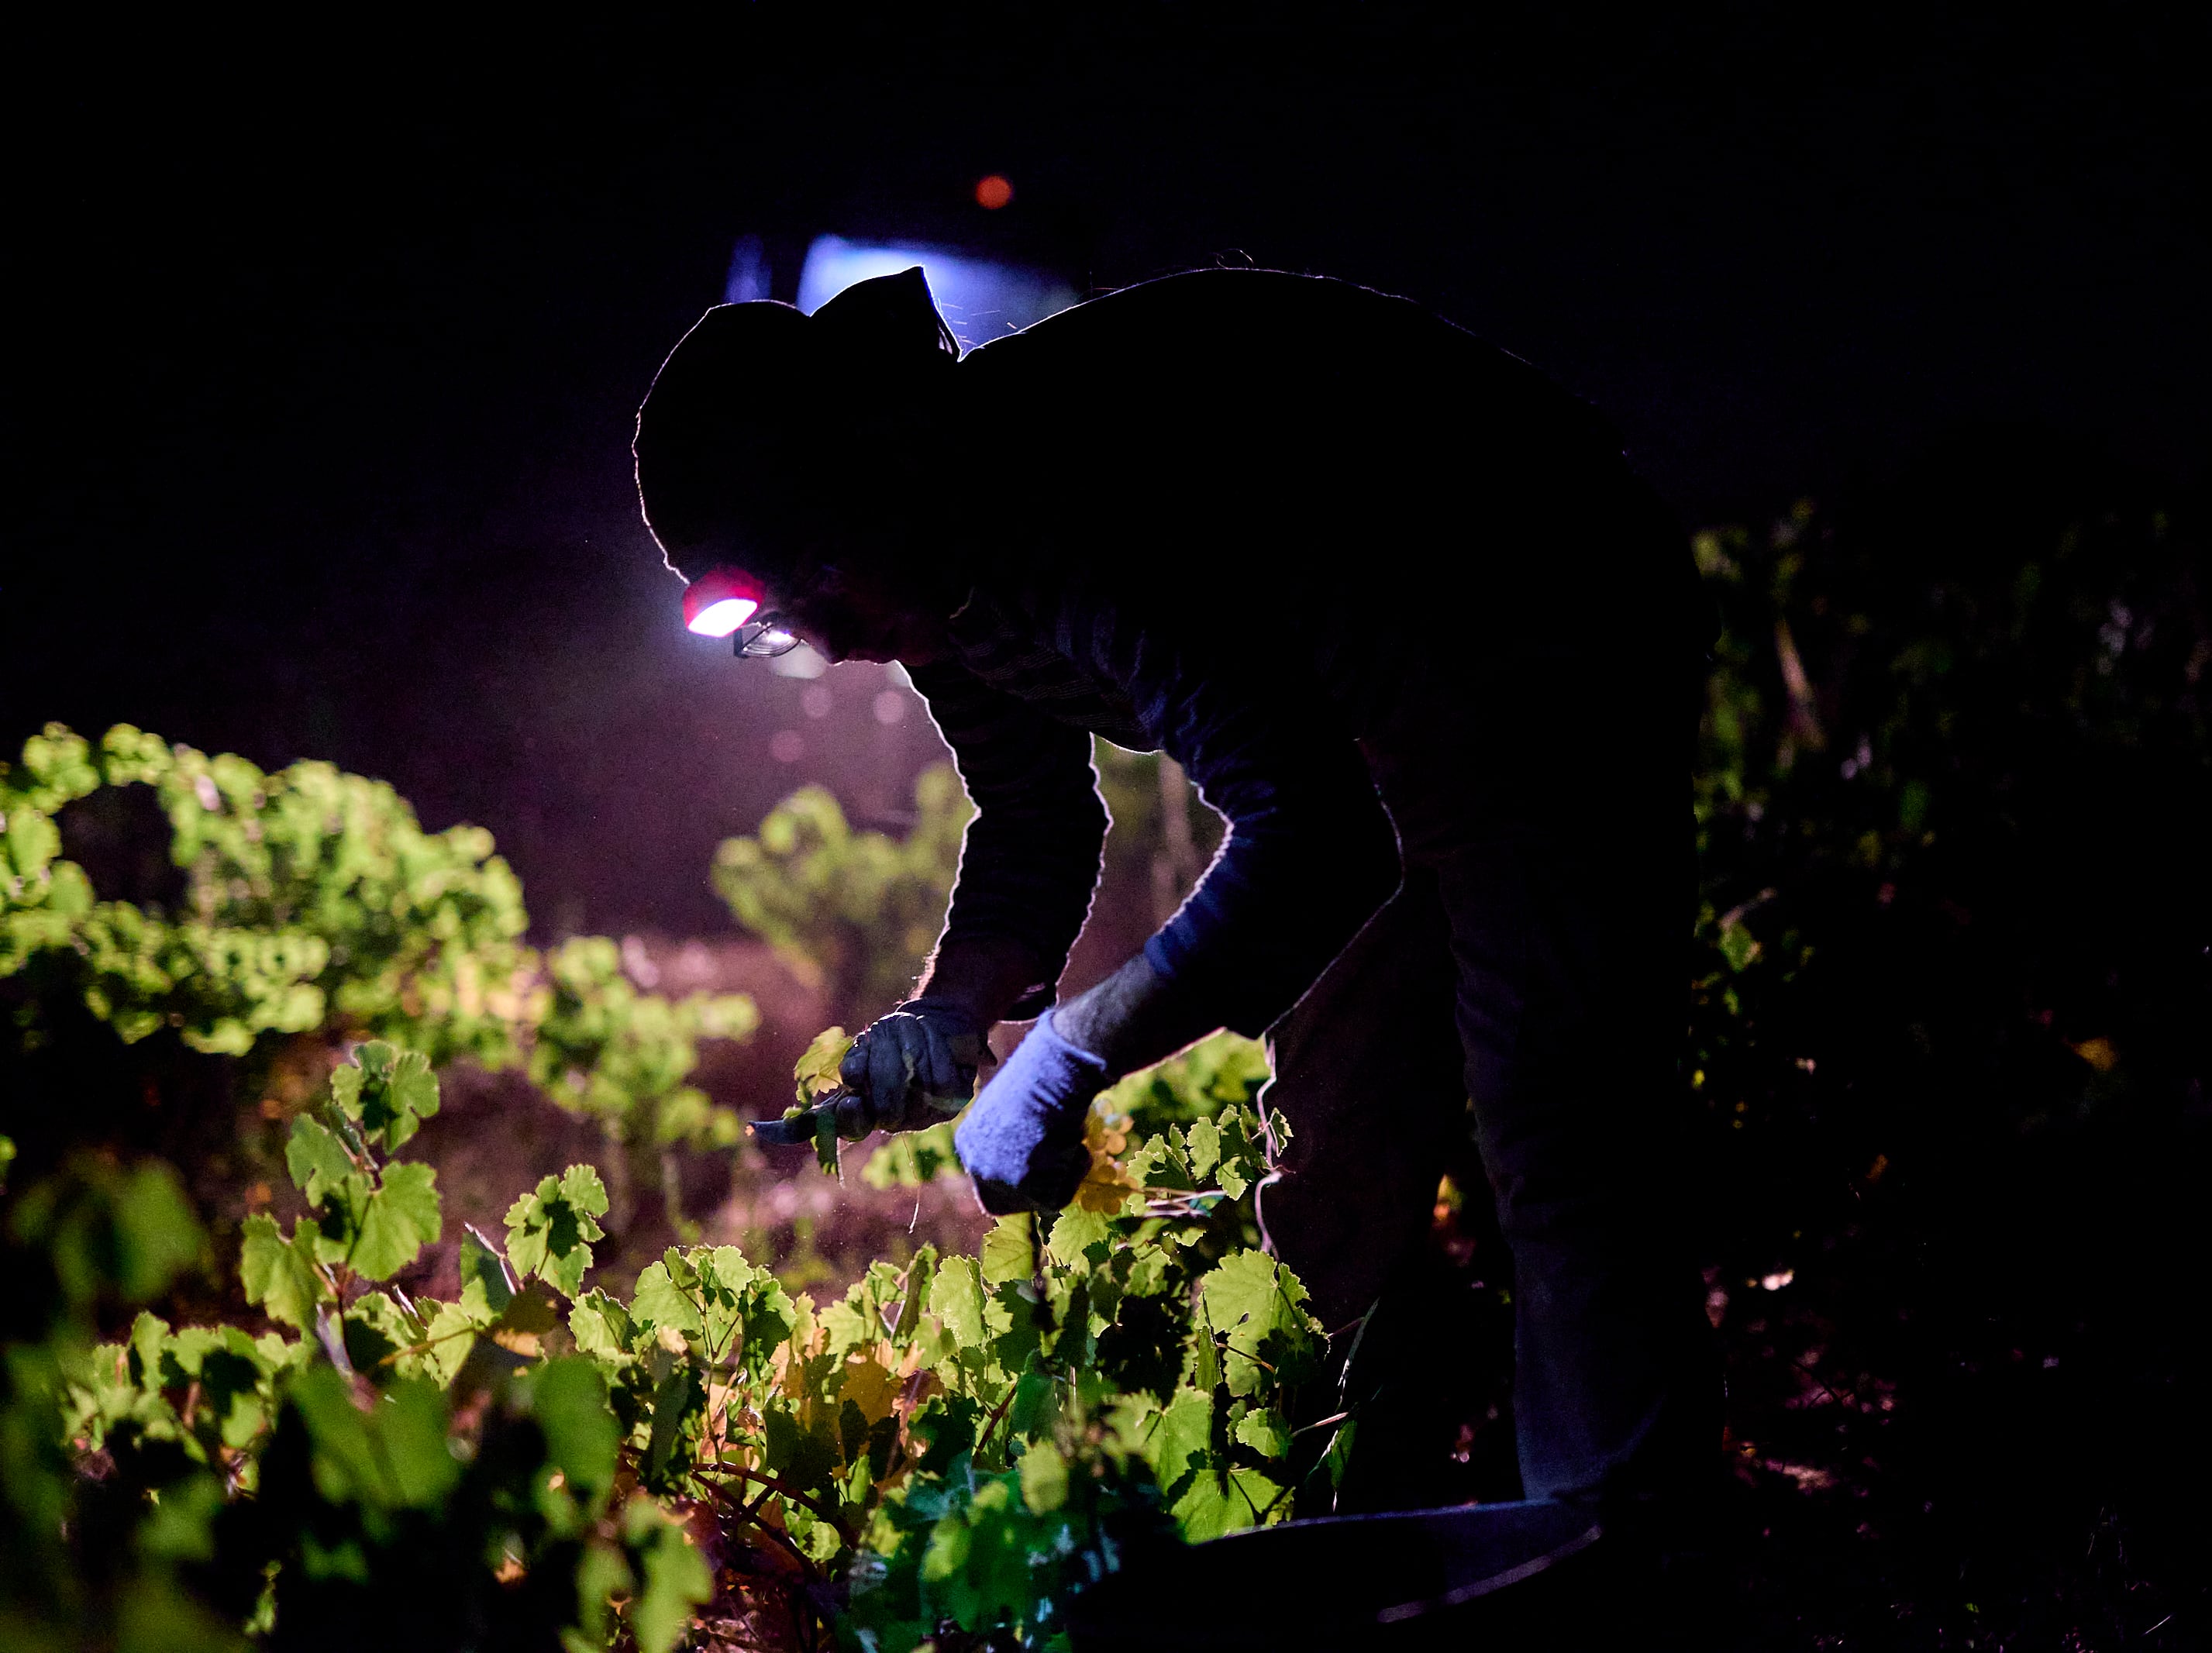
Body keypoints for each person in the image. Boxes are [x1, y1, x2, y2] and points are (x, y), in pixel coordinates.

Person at [634, 265, 1719, 1514]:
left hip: (1541, 602)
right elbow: (1035, 814)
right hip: (1364, 732)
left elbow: (1318, 838)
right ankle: (1374, 1543)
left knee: (1557, 1121)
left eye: (818, 590)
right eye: (787, 626)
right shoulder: (924, 577)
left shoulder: (1063, 491)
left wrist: (1072, 1050)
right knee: (1337, 1156)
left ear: (880, 472)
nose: (831, 639)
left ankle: (1628, 1564)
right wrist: (954, 1009)